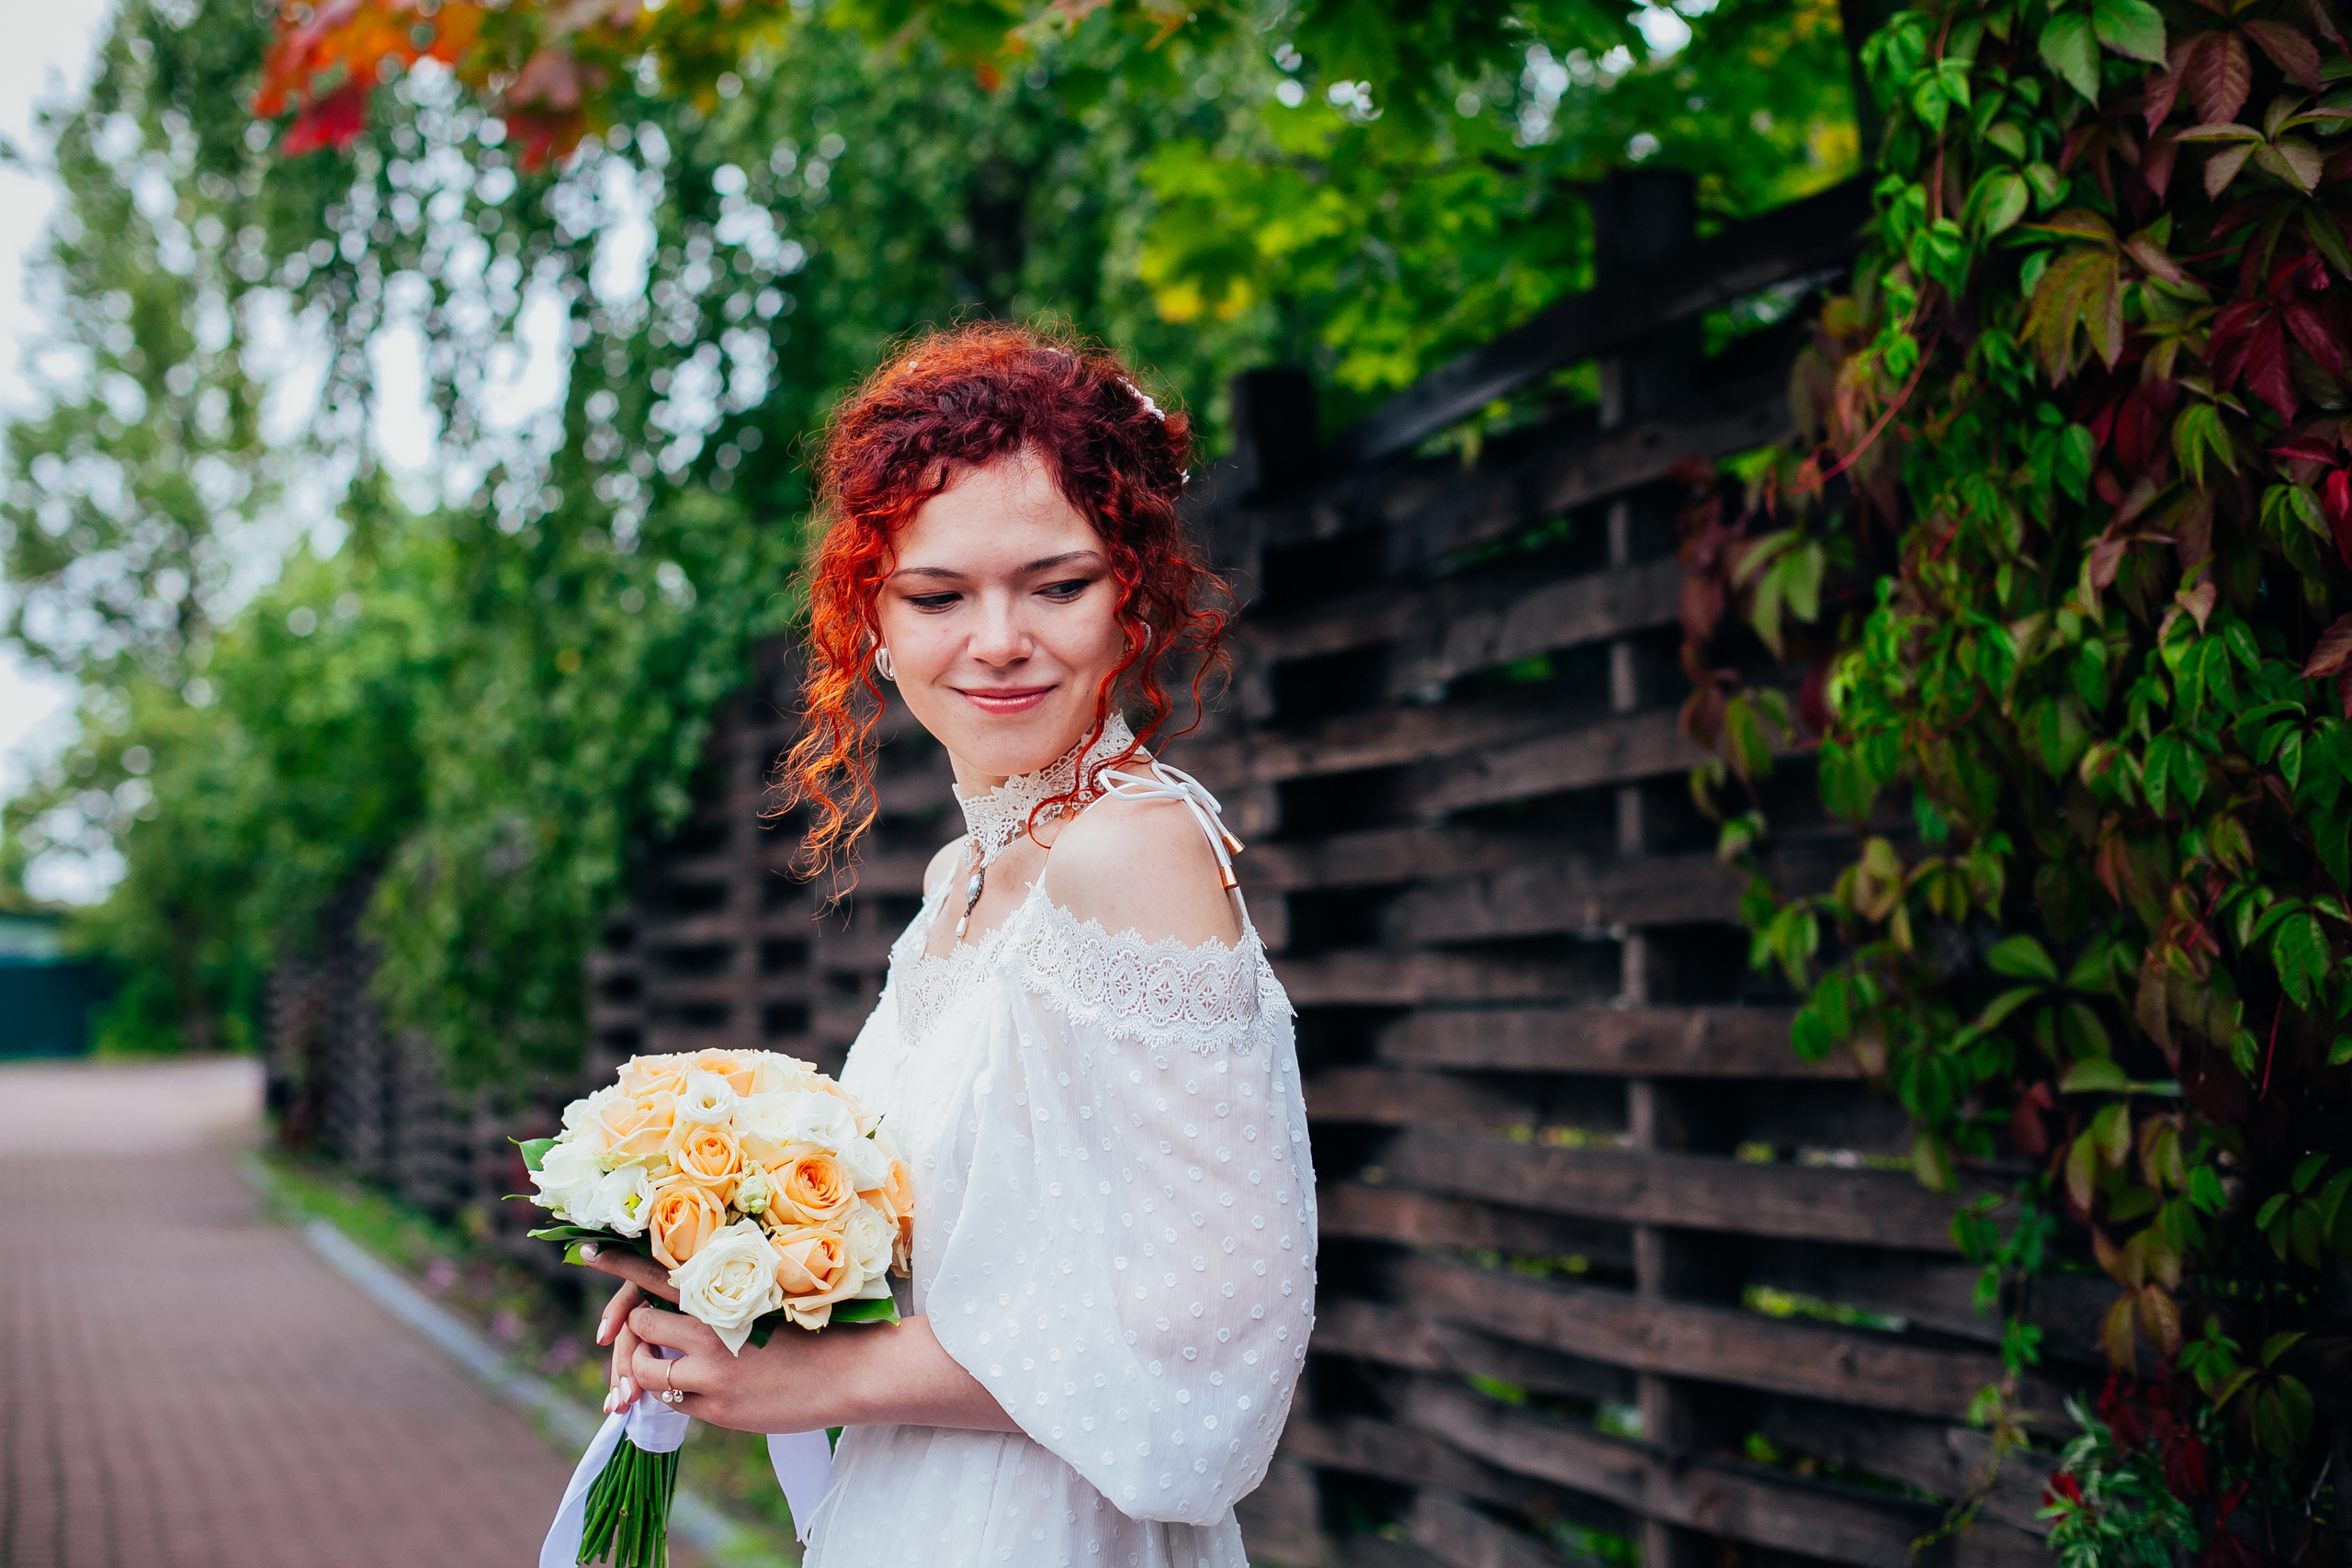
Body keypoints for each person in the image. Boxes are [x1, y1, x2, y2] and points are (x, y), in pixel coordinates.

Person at [579, 321, 1317, 1566]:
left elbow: (1199, 1346)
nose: (998, 641)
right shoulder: (956, 883)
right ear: (872, 617)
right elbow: (979, 1268)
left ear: (1127, 588)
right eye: (937, 595)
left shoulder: (1130, 853)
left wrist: (812, 1384)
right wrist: (738, 1292)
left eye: (1058, 584)